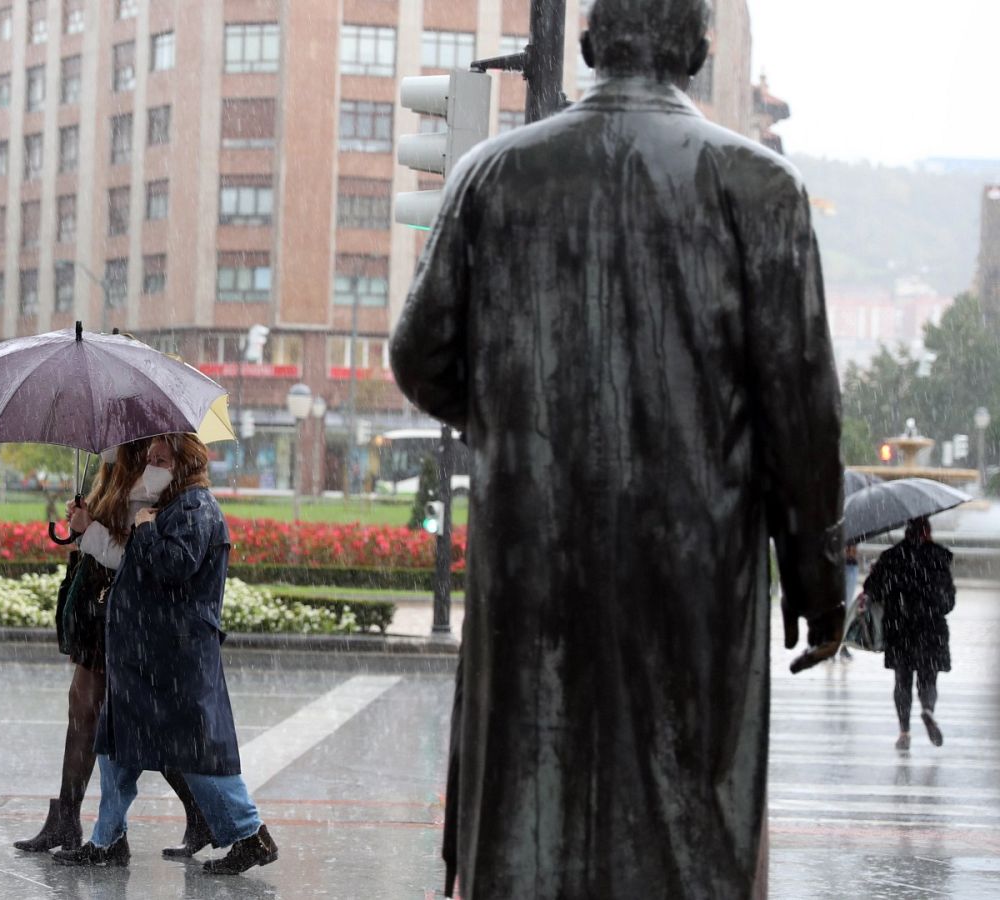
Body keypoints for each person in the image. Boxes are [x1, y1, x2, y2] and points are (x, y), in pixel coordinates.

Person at [389, 0, 844, 896]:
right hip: (695, 569)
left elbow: (420, 356)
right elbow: (803, 407)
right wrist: (819, 578)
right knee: (686, 821)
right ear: (702, 50)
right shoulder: (760, 189)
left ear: (592, 44)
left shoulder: (494, 176)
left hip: (535, 560)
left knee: (532, 799)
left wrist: (524, 429)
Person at [54, 433, 279, 875]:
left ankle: (252, 836)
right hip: (145, 657)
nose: (149, 464)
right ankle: (107, 840)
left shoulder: (195, 508)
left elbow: (173, 567)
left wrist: (146, 529)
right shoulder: (170, 508)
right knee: (115, 748)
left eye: (160, 459)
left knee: (198, 757)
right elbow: (135, 566)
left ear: (184, 464)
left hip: (173, 658)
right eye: (150, 457)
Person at [12, 438, 213, 857]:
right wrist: (84, 521)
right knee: (85, 711)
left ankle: (193, 815)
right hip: (98, 611)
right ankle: (70, 817)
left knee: (136, 725)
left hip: (122, 614)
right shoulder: (111, 474)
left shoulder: (150, 481)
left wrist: (92, 531)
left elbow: (132, 556)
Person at [862, 517, 955, 750]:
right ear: (927, 532)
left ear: (907, 532)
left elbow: (872, 590)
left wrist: (878, 574)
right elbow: (948, 601)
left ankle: (904, 732)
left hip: (899, 627)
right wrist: (931, 606)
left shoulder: (891, 557)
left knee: (902, 681)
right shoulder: (938, 557)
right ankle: (928, 709)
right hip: (930, 627)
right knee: (928, 676)